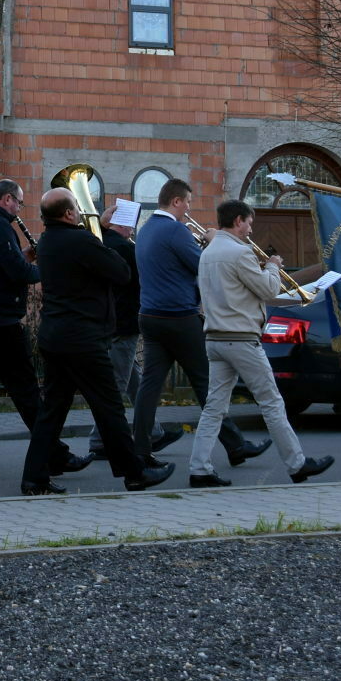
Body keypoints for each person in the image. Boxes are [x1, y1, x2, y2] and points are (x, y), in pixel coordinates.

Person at [20, 190, 175, 495]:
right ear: (68, 214)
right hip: (82, 339)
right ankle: (135, 474)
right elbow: (121, 272)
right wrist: (103, 233)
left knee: (52, 412)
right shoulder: (81, 240)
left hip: (55, 336)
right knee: (110, 408)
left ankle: (34, 479)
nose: (80, 211)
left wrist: (99, 231)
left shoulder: (47, 241)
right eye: (77, 207)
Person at [186, 201, 333, 487]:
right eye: (249, 223)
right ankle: (297, 464)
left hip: (215, 338)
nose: (251, 230)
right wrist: (273, 266)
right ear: (238, 221)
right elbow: (268, 289)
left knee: (214, 408)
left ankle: (199, 468)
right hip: (241, 339)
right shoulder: (240, 253)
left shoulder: (208, 253)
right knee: (272, 403)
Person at [0, 178, 84, 481]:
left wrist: (22, 256)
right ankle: (55, 456)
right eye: (19, 203)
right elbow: (18, 273)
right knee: (26, 392)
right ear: (8, 199)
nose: (19, 209)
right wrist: (47, 268)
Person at [134, 179, 268, 469]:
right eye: (188, 203)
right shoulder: (175, 230)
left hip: (150, 316)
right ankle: (236, 445)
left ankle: (141, 451)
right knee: (207, 383)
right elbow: (205, 267)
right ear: (176, 201)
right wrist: (213, 241)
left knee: (150, 386)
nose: (189, 209)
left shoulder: (145, 229)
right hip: (178, 317)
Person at [89, 219, 166, 459]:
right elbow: (142, 280)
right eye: (130, 225)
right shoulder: (125, 248)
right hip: (124, 323)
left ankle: (153, 432)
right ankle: (99, 441)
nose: (132, 230)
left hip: (110, 321)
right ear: (122, 225)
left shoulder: (100, 243)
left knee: (134, 380)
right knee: (117, 385)